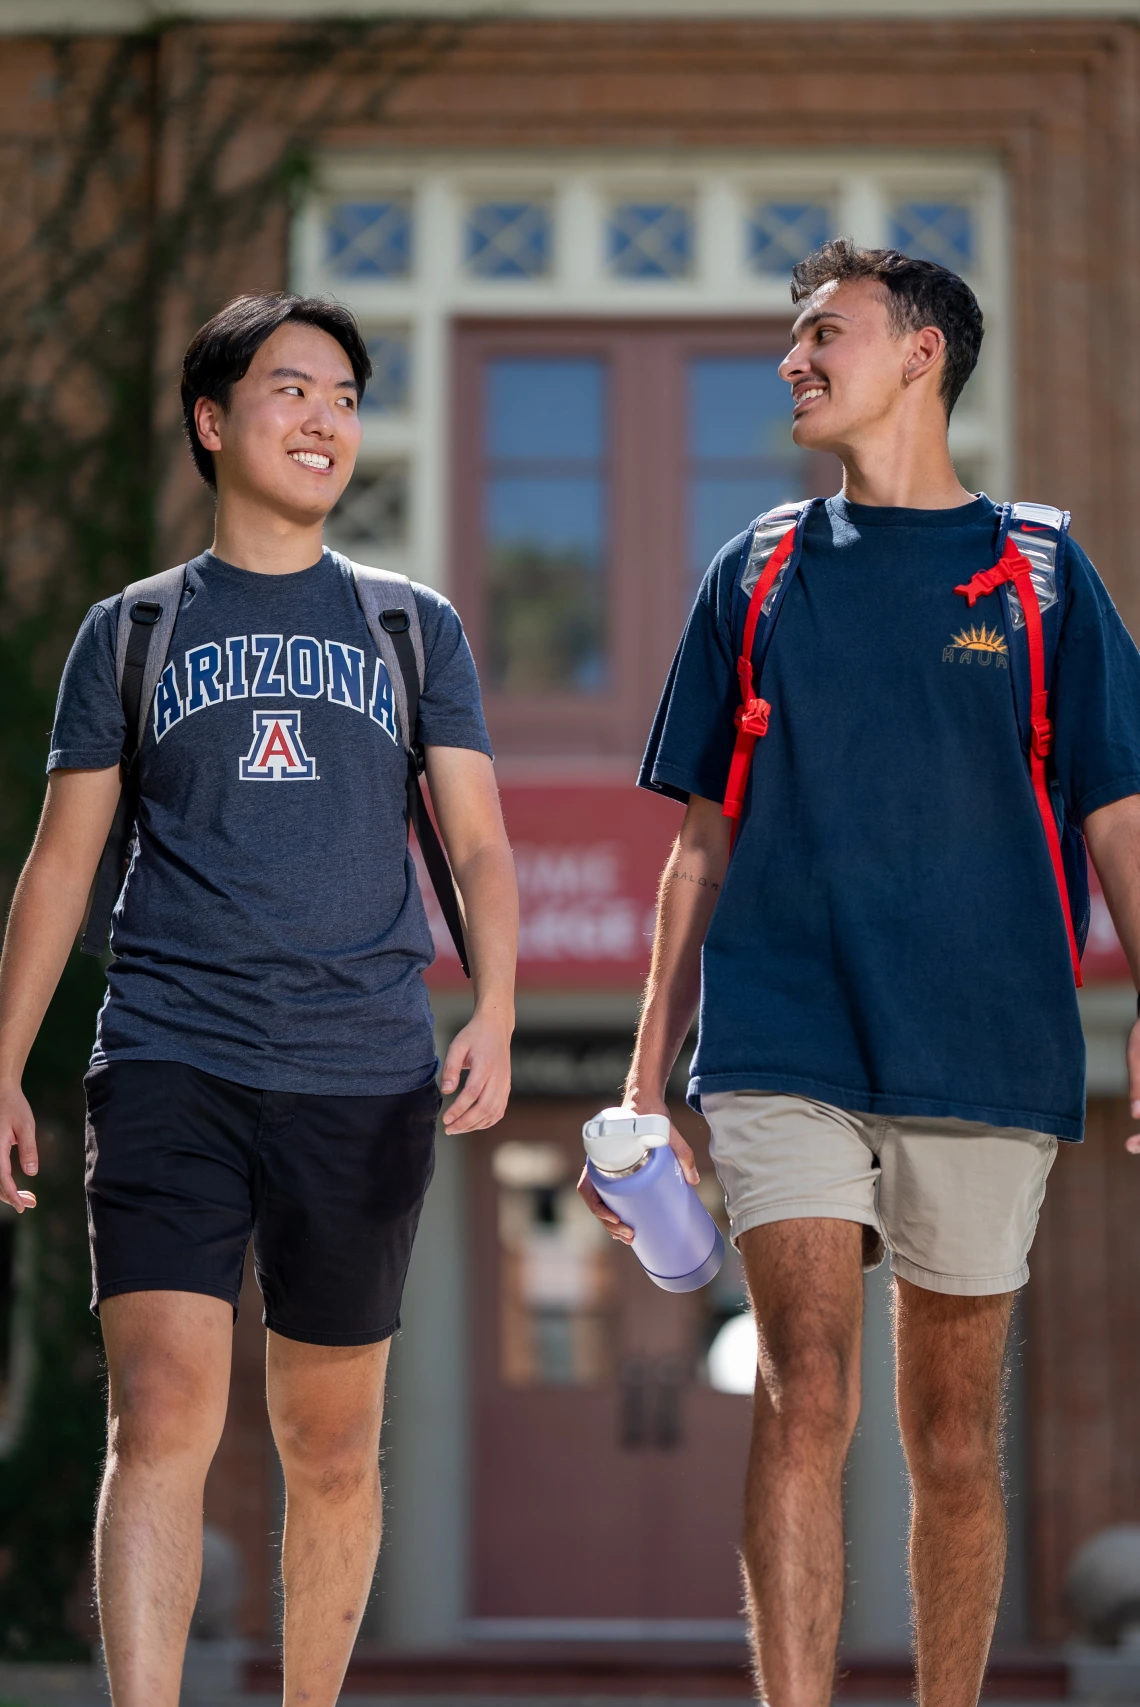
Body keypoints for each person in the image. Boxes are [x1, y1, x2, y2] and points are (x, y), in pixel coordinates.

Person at [580, 239, 1140, 1707]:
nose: (794, 360)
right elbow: (701, 848)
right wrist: (645, 1078)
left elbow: (1119, 817)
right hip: (782, 1036)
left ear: (921, 355)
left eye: (827, 333)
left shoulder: (1039, 572)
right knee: (802, 1383)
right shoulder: (758, 569)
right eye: (793, 337)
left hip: (983, 1040)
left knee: (952, 1433)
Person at [0, 293, 517, 1707]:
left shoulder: (413, 628)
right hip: (170, 1052)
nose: (325, 418)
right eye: (292, 389)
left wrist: (498, 1007)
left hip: (361, 1068)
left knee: (331, 1441)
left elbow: (473, 842)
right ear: (215, 421)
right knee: (160, 1408)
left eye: (346, 396)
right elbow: (60, 863)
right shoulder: (133, 631)